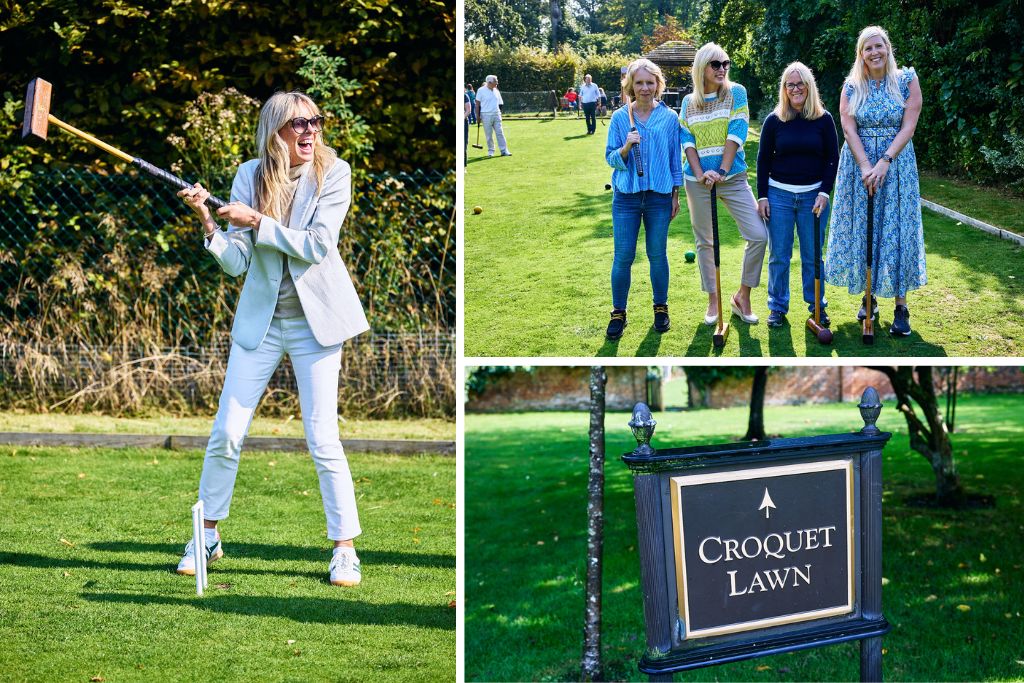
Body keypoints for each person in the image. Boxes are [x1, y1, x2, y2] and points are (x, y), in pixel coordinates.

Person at [175, 91, 369, 587]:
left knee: (323, 437)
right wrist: (208, 220)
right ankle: (208, 535)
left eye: (315, 123)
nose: (310, 132)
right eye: (297, 124)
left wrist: (258, 221)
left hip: (316, 323)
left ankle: (344, 549)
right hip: (261, 324)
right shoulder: (249, 175)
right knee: (227, 432)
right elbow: (239, 261)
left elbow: (318, 246)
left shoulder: (334, 173)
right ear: (274, 132)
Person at [824, 25, 924, 336]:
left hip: (896, 166)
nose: (874, 52)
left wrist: (884, 162)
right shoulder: (852, 87)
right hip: (859, 166)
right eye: (868, 48)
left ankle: (901, 306)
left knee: (895, 231)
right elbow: (849, 127)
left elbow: (908, 127)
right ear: (861, 54)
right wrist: (867, 165)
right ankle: (870, 297)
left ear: (888, 48)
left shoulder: (907, 80)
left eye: (878, 46)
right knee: (865, 228)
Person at [679, 42, 767, 326]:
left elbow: (737, 132)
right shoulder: (688, 102)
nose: (722, 69)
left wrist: (721, 170)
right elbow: (687, 141)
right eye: (715, 64)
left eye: (725, 63)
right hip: (697, 180)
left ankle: (743, 296)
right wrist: (701, 173)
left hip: (732, 177)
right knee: (705, 242)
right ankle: (713, 300)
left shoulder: (735, 93)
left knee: (758, 235)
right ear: (702, 67)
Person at [757, 62, 840, 328]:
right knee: (779, 255)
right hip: (778, 196)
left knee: (812, 256)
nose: (795, 89)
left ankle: (816, 305)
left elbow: (832, 158)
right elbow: (762, 161)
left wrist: (825, 192)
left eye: (800, 83)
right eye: (789, 84)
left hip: (813, 198)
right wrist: (763, 196)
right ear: (784, 89)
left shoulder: (823, 120)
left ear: (809, 86)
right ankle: (777, 307)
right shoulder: (774, 121)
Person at [604, 58, 682, 339]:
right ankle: (618, 313)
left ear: (658, 85)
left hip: (659, 197)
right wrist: (626, 146)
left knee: (657, 254)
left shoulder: (670, 118)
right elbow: (610, 158)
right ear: (630, 86)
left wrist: (676, 194)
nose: (645, 88)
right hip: (626, 197)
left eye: (650, 82)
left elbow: (675, 160)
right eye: (639, 83)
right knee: (623, 257)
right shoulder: (619, 118)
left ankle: (661, 307)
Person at [476, 75, 511, 157]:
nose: (497, 83)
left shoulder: (496, 90)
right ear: (489, 82)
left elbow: (500, 103)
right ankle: (491, 151)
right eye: (496, 82)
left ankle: (504, 150)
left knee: (500, 133)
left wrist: (499, 113)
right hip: (485, 115)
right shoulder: (480, 90)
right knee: (489, 135)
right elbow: (477, 104)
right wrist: (477, 116)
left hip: (496, 114)